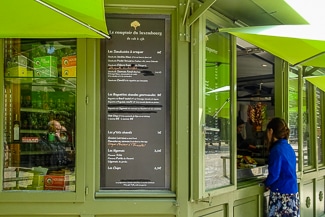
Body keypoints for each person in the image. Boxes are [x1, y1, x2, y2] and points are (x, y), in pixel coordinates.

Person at [264, 117, 300, 217]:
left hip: (281, 194)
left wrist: (266, 183)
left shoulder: (276, 150)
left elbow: (274, 174)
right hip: (292, 192)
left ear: (271, 131)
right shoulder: (288, 147)